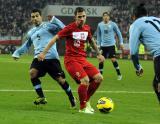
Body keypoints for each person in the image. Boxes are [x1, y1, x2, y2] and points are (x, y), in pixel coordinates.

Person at [38, 7, 105, 114]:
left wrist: (98, 54)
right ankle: (82, 108)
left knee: (99, 78)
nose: (82, 19)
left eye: (83, 16)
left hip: (82, 60)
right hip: (71, 60)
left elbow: (91, 41)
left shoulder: (87, 28)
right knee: (85, 80)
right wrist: (43, 53)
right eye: (79, 17)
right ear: (75, 17)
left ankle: (86, 101)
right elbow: (55, 38)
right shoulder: (70, 28)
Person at [12, 9, 76, 108]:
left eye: (37, 16)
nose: (35, 18)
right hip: (38, 58)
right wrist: (17, 53)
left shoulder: (48, 25)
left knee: (60, 80)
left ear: (41, 17)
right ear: (31, 19)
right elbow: (27, 44)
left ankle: (71, 97)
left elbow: (65, 29)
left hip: (51, 57)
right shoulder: (31, 32)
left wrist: (55, 20)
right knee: (32, 73)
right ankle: (41, 97)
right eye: (33, 17)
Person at [129, 3, 160, 104]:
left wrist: (138, 67)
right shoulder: (157, 19)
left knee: (158, 85)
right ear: (147, 14)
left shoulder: (136, 24)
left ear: (133, 16)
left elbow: (133, 52)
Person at [96, 12, 124, 80]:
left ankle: (119, 74)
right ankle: (100, 76)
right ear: (102, 17)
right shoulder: (100, 25)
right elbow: (98, 35)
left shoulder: (113, 24)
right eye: (104, 16)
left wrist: (121, 42)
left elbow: (119, 33)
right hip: (103, 45)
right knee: (101, 60)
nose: (106, 17)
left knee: (113, 59)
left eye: (107, 16)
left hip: (111, 45)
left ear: (109, 17)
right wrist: (98, 44)